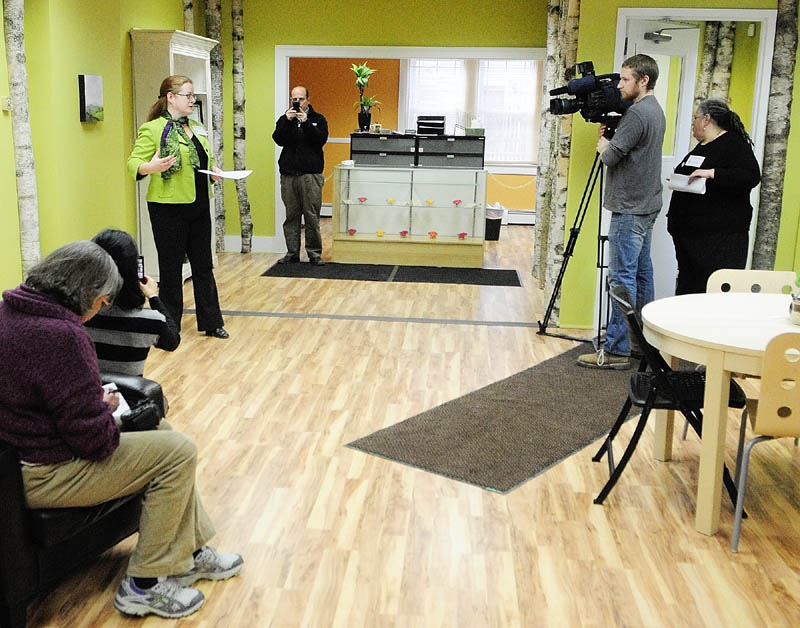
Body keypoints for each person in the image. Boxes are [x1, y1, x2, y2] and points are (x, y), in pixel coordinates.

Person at [0, 241, 243, 619]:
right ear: (87, 294)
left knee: (163, 430)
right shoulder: (62, 336)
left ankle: (190, 552)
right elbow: (94, 442)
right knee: (177, 451)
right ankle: (143, 586)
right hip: (44, 474)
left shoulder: (9, 313)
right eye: (102, 303)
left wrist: (94, 408)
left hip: (22, 461)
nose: (100, 310)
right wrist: (105, 410)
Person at [578, 54, 666, 370]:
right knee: (642, 274)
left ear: (644, 80)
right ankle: (644, 341)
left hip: (629, 208)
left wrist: (604, 144)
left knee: (621, 277)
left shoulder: (638, 115)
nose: (619, 85)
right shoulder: (655, 111)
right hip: (646, 204)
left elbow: (611, 157)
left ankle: (616, 349)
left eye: (625, 79)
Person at [127, 75, 229, 339]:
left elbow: (207, 158)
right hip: (168, 208)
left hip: (198, 203)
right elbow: (133, 163)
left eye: (194, 95)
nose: (193, 100)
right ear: (171, 97)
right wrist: (151, 167)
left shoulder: (196, 126)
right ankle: (169, 324)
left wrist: (214, 171)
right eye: (188, 95)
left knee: (203, 265)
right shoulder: (152, 129)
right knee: (171, 269)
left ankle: (211, 321)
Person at [667, 99, 761, 295]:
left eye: (695, 118)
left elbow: (750, 176)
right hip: (689, 236)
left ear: (706, 119)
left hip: (717, 239)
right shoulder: (702, 146)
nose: (693, 123)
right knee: (688, 287)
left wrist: (713, 173)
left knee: (711, 288)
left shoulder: (733, 144)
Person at [85, 228, 181, 376]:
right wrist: (153, 296)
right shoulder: (151, 322)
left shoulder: (80, 317)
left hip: (90, 395)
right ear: (134, 269)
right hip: (129, 397)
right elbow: (172, 341)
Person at [272, 85, 329, 265]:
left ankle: (314, 253)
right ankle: (292, 252)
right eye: (294, 99)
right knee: (291, 216)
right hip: (289, 175)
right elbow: (278, 139)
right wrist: (287, 121)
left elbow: (320, 140)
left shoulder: (318, 119)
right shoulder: (285, 119)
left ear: (308, 100)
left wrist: (306, 124)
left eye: (301, 99)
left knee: (311, 215)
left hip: (310, 175)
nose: (297, 102)